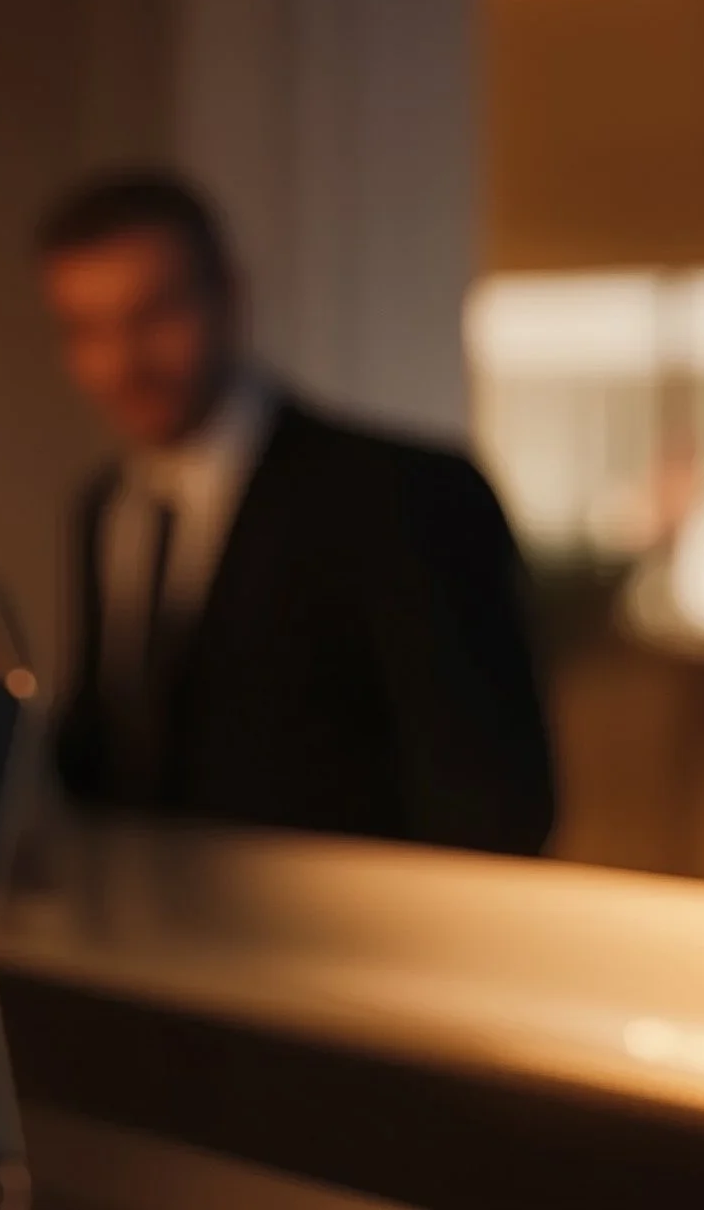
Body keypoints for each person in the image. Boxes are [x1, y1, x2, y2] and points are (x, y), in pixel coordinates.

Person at [37, 168, 554, 856]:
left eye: (154, 315)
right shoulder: (108, 506)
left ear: (230, 296)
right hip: (150, 938)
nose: (121, 362)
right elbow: (117, 748)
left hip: (351, 941)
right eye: (86, 330)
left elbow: (492, 794)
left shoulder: (399, 491)